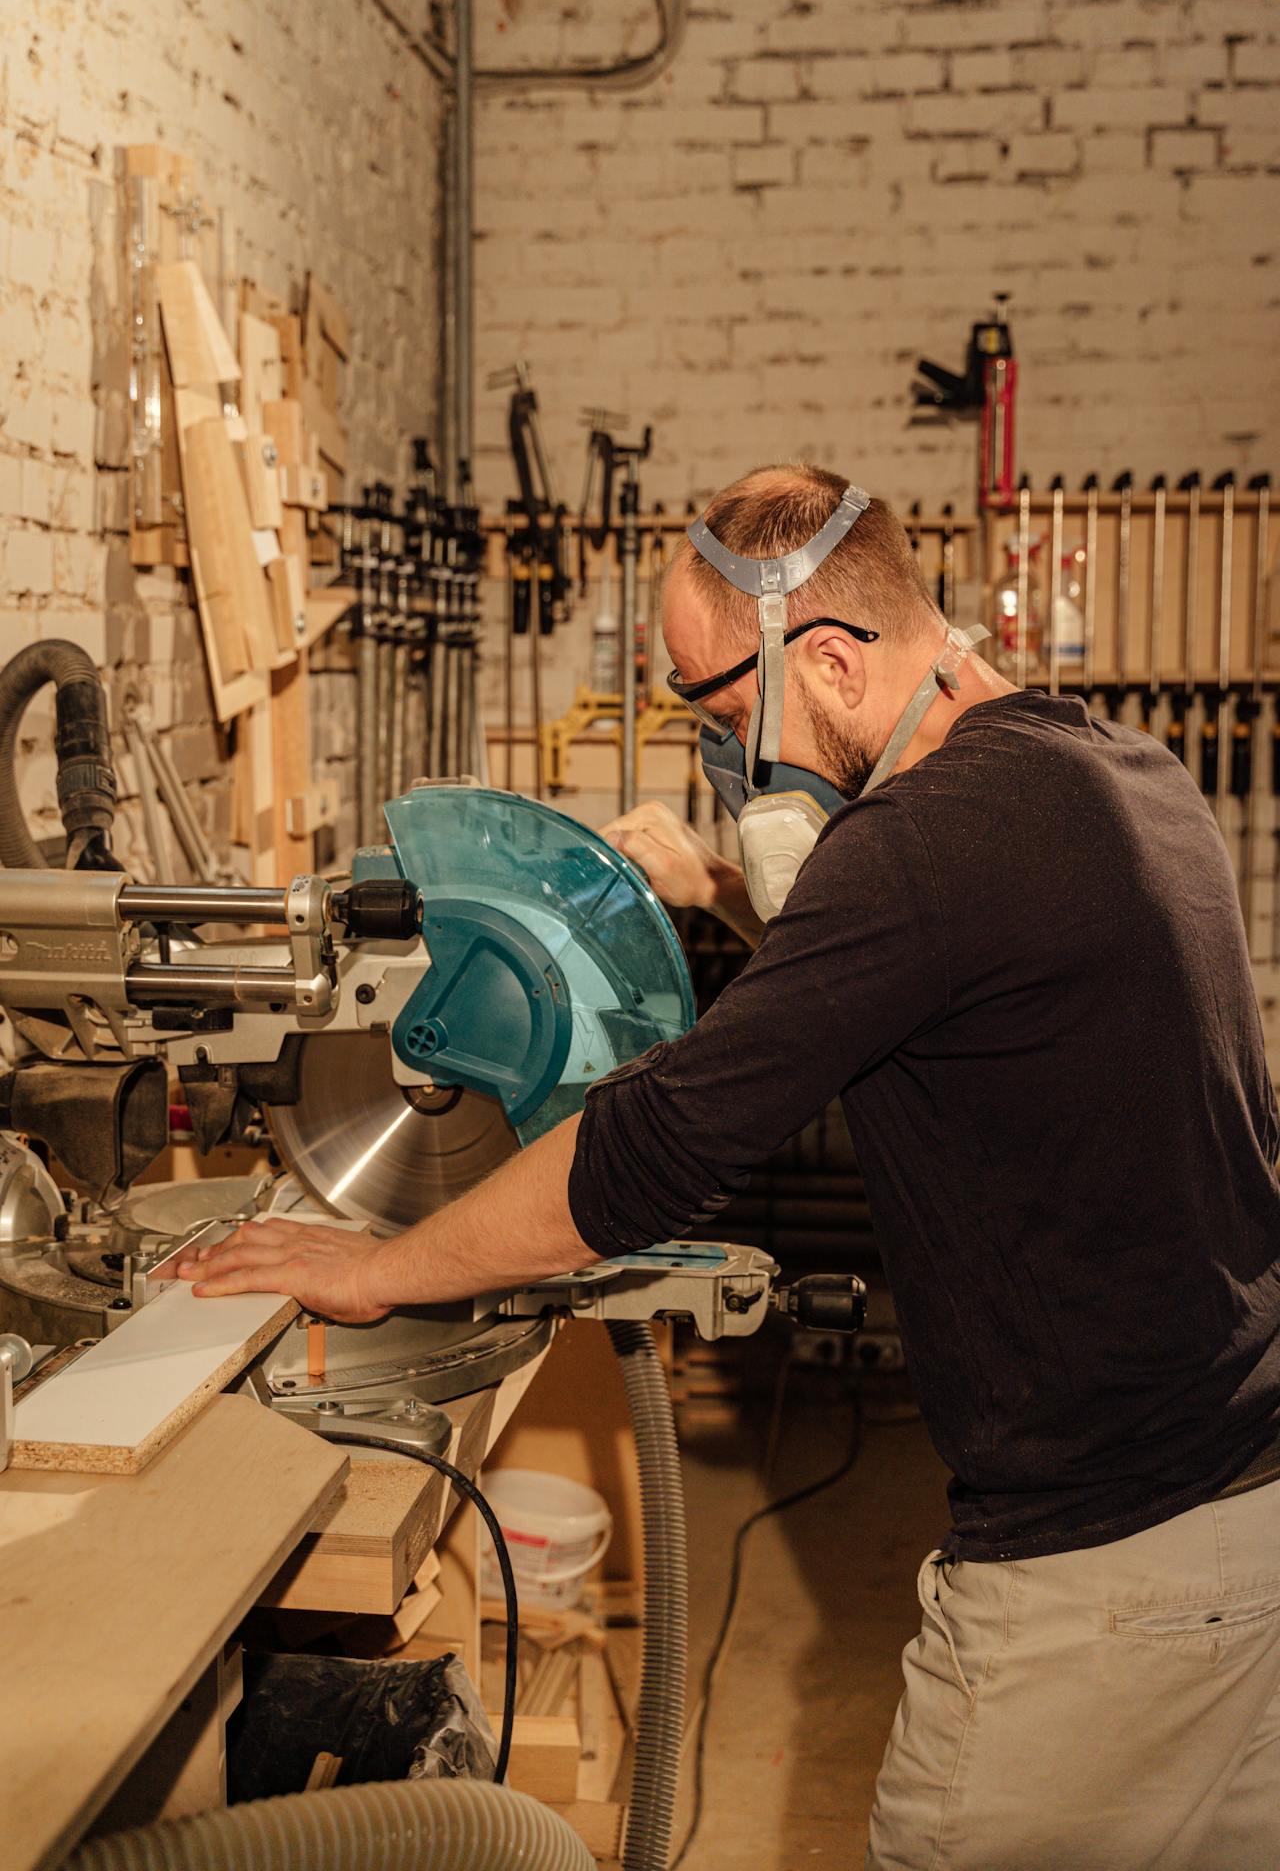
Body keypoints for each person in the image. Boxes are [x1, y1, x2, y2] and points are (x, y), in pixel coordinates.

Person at [187, 464, 1280, 1870]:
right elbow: (939, 1008)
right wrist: (727, 901)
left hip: (1099, 1573)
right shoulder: (1118, 770)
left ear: (826, 656)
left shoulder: (919, 849)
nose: (719, 754)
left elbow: (652, 1152)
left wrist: (381, 1263)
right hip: (1242, 1504)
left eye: (714, 707)